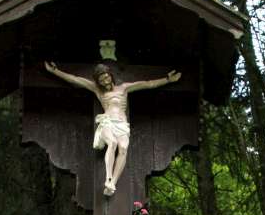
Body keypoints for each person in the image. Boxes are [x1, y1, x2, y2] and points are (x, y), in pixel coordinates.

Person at [44, 62, 181, 196]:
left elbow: (147, 84)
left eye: (106, 77)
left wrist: (167, 79)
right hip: (108, 122)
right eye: (101, 80)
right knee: (112, 143)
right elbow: (76, 80)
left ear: (110, 75)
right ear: (98, 82)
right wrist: (55, 71)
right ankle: (108, 178)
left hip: (122, 125)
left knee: (123, 149)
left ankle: (112, 183)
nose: (105, 81)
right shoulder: (97, 90)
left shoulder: (124, 88)